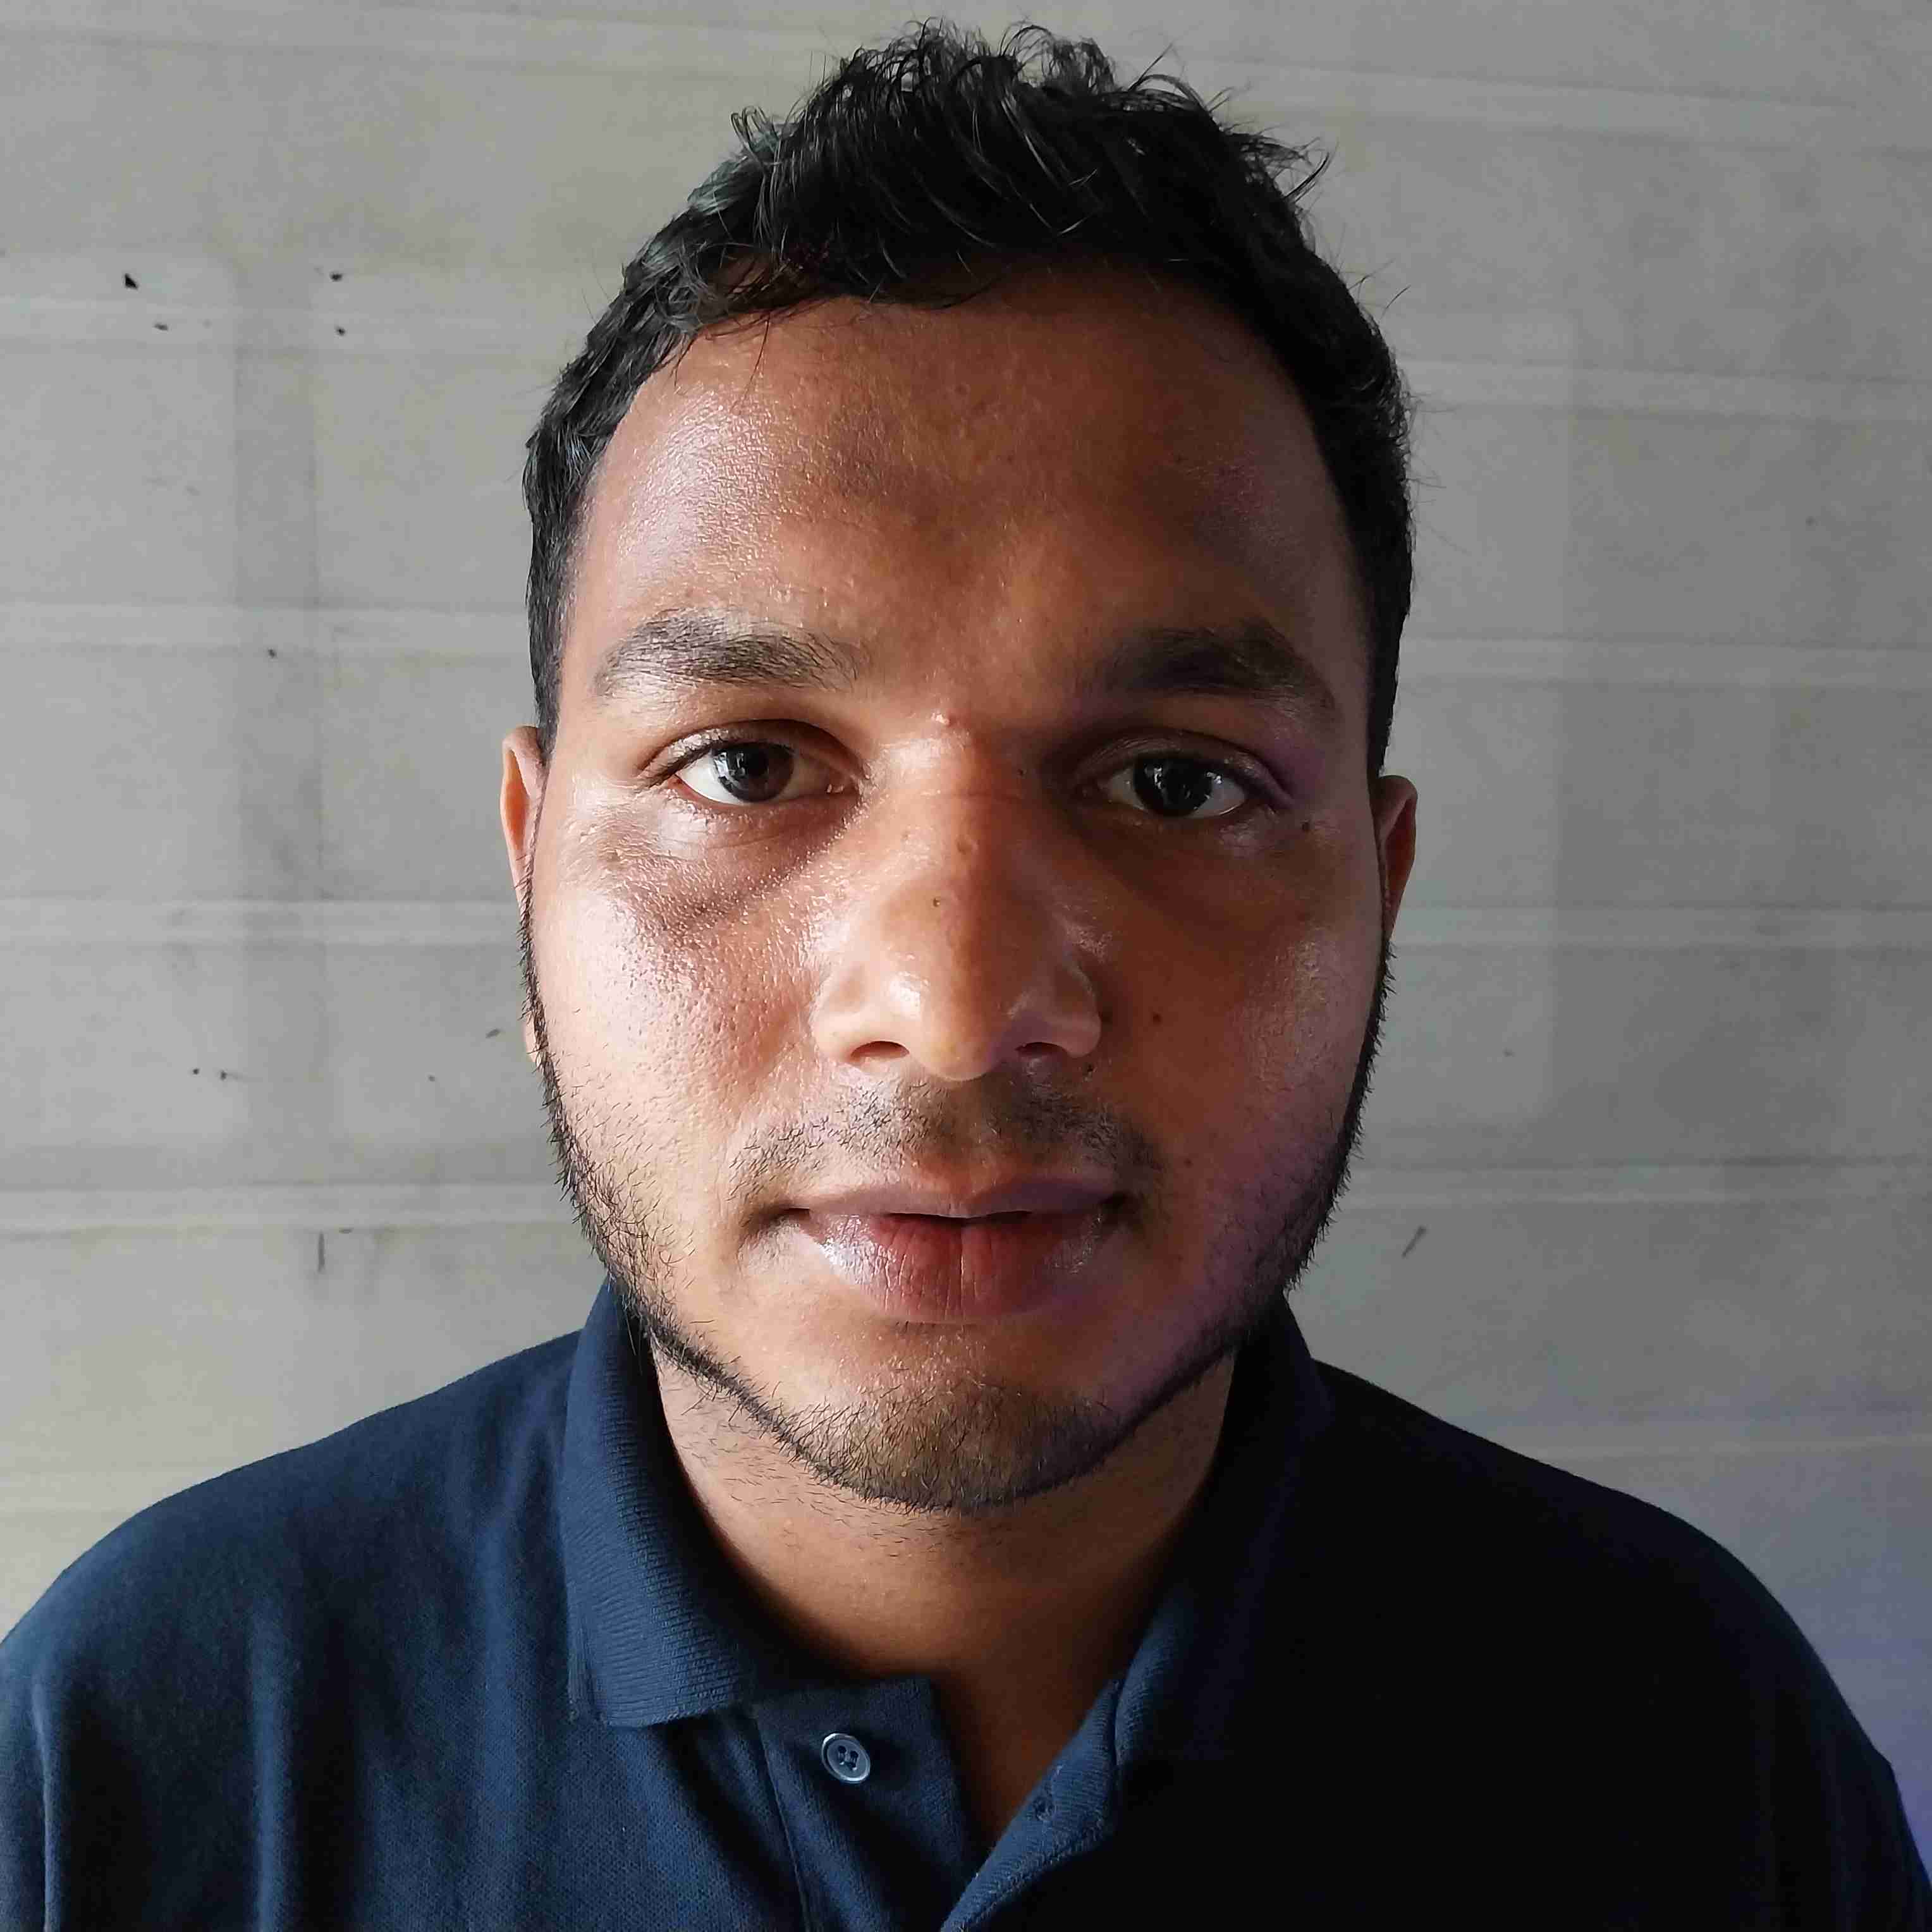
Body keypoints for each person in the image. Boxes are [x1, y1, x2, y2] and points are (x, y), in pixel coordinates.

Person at [4, 19, 1924, 1929]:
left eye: (1176, 783)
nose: (952, 1002)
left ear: (1381, 887)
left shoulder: (1694, 1752)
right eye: (748, 767)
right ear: (532, 878)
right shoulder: (142, 1749)